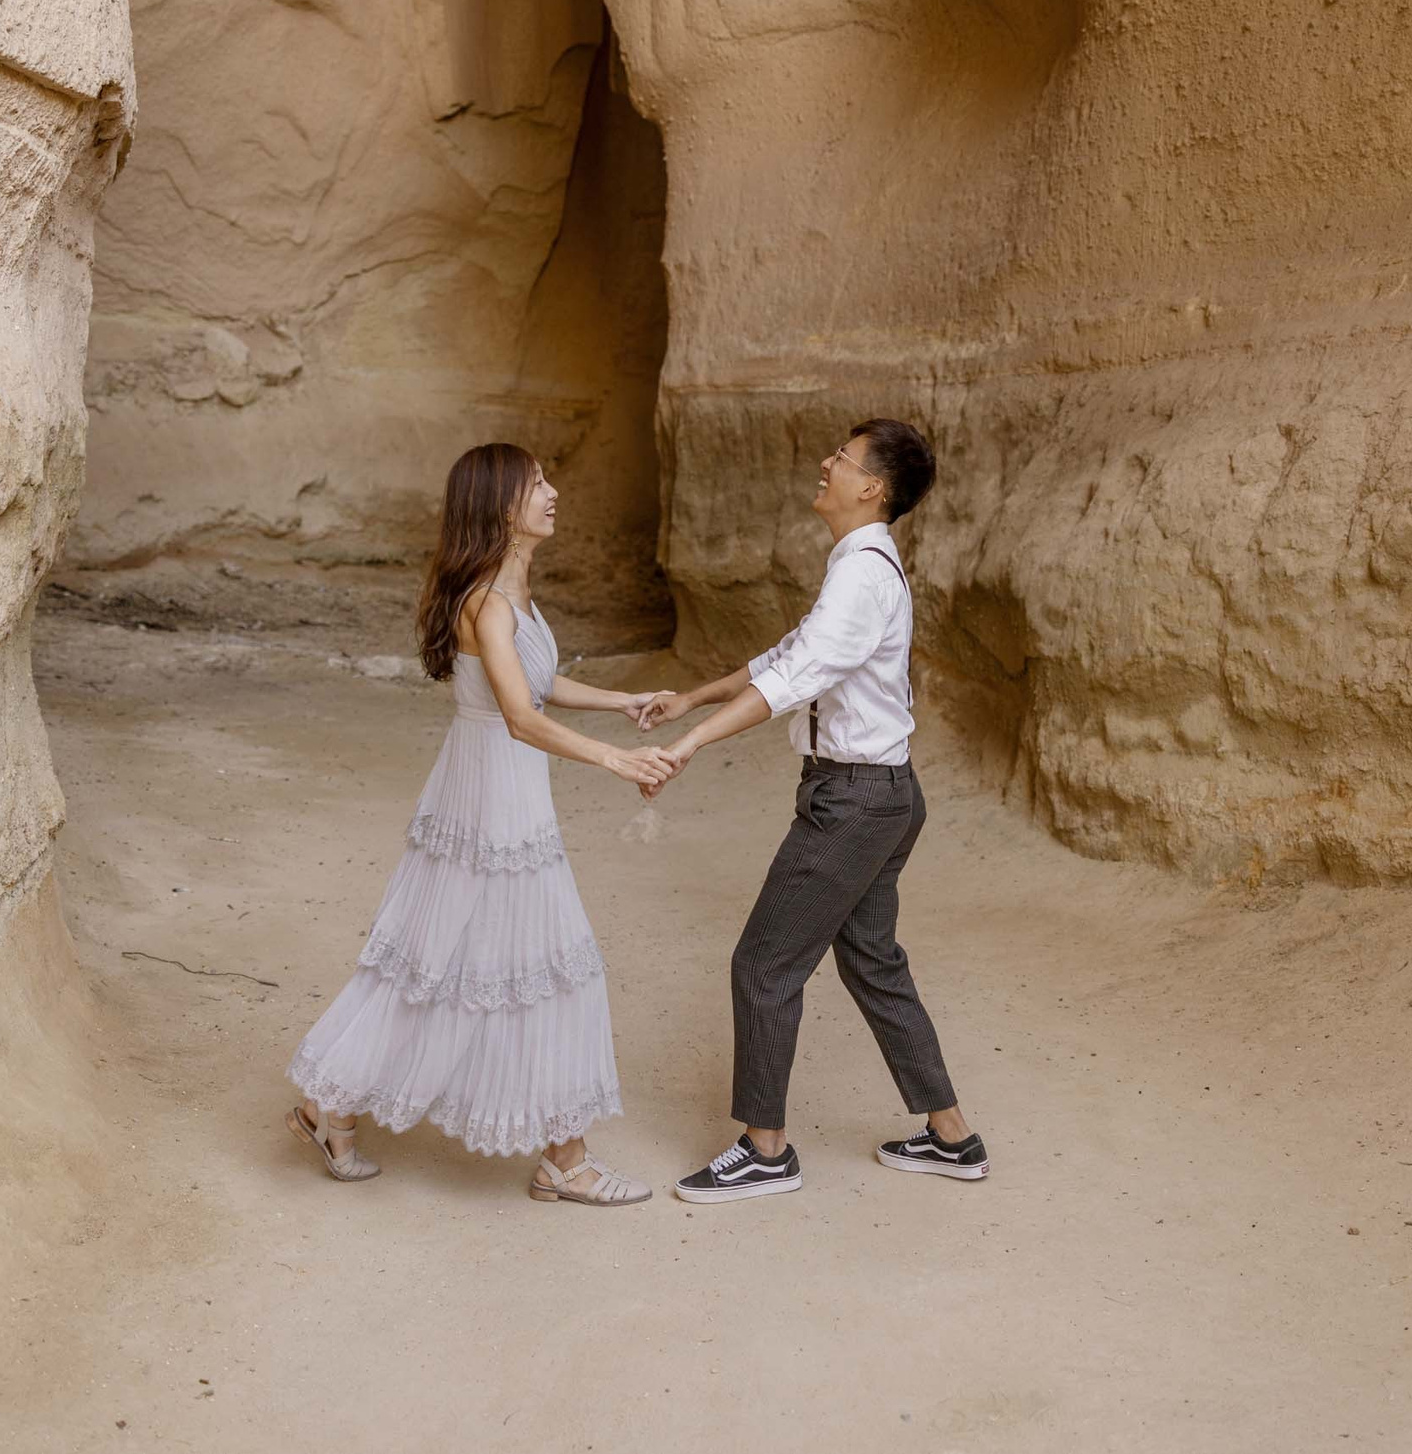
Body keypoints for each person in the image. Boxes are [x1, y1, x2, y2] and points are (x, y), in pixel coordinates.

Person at [284, 443, 677, 1207]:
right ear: (501, 506)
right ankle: (564, 1161)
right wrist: (616, 760)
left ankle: (330, 1106)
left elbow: (536, 681)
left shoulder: (509, 590)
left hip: (498, 794)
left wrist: (621, 703)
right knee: (542, 967)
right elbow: (520, 716)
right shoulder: (487, 603)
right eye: (537, 486)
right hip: (494, 802)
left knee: (449, 964)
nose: (554, 494)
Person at [639, 418, 988, 1202]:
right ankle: (952, 1139)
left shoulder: (864, 572)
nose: (826, 461)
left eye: (843, 457)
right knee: (871, 962)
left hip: (855, 802)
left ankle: (766, 1151)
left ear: (872, 488)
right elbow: (792, 651)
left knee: (764, 964)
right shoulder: (859, 567)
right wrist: (693, 694)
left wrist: (692, 742)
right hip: (885, 793)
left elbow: (798, 677)